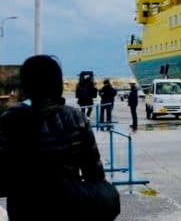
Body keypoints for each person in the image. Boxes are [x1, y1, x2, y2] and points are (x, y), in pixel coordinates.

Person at [0, 55, 118, 219]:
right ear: (57, 83)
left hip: (25, 209)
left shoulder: (9, 120)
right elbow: (95, 174)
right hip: (68, 207)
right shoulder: (76, 118)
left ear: (25, 85)